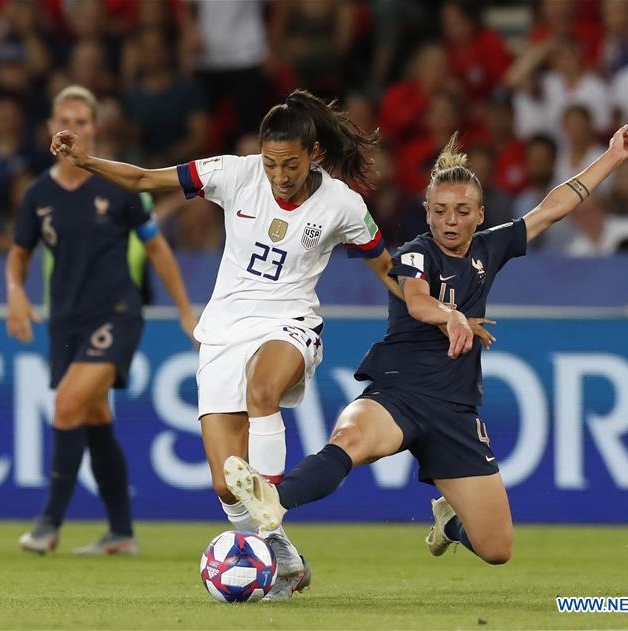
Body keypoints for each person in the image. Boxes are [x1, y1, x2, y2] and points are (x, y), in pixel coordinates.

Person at [224, 125, 628, 569]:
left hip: (454, 411)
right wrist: (452, 316)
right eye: (440, 211)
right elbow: (419, 300)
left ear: (480, 215)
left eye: (462, 211)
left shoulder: (490, 249)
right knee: (349, 439)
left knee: (497, 549)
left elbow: (551, 209)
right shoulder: (415, 253)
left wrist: (612, 159)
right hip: (398, 396)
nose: (450, 221)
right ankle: (274, 497)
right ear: (427, 213)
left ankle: (449, 524)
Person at [50, 89, 405, 600]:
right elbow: (146, 180)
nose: (279, 175)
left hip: (290, 322)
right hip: (223, 331)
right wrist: (85, 160)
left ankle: (273, 500)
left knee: (263, 389)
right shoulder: (235, 174)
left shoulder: (344, 205)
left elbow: (387, 269)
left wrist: (434, 312)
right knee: (225, 485)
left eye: (289, 164)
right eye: (270, 163)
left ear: (314, 156)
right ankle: (283, 557)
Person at [7, 85, 196, 556]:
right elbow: (18, 255)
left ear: (94, 129)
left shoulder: (118, 184)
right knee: (94, 418)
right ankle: (122, 533)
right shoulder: (37, 194)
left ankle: (48, 525)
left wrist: (185, 310)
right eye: (64, 119)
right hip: (65, 321)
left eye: (83, 121)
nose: (72, 128)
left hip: (116, 313)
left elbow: (156, 247)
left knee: (69, 404)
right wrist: (14, 291)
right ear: (51, 127)